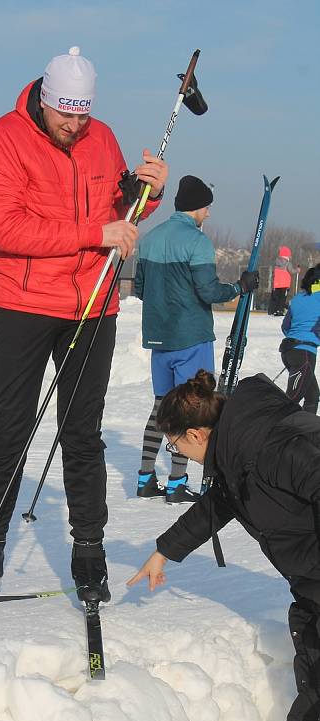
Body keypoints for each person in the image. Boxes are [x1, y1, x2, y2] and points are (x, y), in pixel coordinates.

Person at [0, 45, 168, 604]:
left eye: (83, 114)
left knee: (82, 434)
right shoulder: (3, 140)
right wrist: (95, 232)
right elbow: (7, 230)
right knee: (10, 432)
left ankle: (90, 553)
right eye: (66, 115)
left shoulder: (102, 139)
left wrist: (149, 194)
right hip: (22, 304)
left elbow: (121, 215)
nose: (75, 125)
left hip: (92, 306)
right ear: (43, 98)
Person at [127, 369, 320, 721]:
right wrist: (165, 550)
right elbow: (222, 501)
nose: (177, 452)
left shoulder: (272, 447)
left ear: (196, 434)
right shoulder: (238, 448)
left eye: (175, 445)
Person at [134, 176, 258, 503]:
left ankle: (145, 478)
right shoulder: (197, 241)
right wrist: (239, 288)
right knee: (192, 410)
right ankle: (176, 484)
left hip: (159, 339)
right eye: (207, 208)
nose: (209, 214)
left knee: (162, 406)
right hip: (191, 337)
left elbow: (140, 289)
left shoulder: (151, 238)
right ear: (198, 208)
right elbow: (208, 291)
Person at [279, 264, 320, 415]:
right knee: (291, 400)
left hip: (289, 351)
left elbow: (285, 327)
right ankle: (273, 432)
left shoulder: (297, 299)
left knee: (312, 395)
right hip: (305, 354)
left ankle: (309, 433)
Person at [270, 245, 299, 316]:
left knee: (277, 298)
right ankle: (280, 310)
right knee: (282, 298)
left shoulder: (276, 264)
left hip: (276, 284)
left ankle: (275, 310)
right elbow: (292, 271)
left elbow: (273, 274)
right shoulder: (288, 264)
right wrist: (297, 270)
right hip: (284, 284)